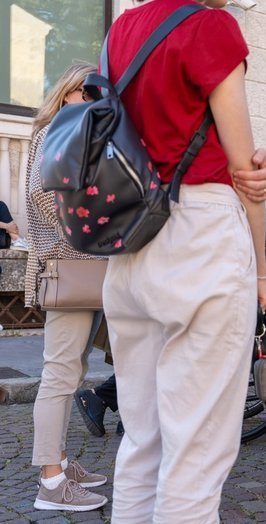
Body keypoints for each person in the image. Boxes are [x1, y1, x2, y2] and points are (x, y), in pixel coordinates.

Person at [102, 1, 266, 521]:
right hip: (201, 235)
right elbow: (247, 171)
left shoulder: (121, 30)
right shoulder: (211, 26)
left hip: (131, 236)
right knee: (195, 453)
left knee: (142, 441)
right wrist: (262, 271)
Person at [23, 64, 108, 512]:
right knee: (59, 373)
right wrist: (85, 230)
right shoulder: (58, 128)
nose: (95, 100)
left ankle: (56, 459)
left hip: (84, 266)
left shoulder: (70, 130)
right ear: (68, 92)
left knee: (71, 371)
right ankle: (50, 484)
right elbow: (42, 192)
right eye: (87, 92)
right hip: (72, 264)